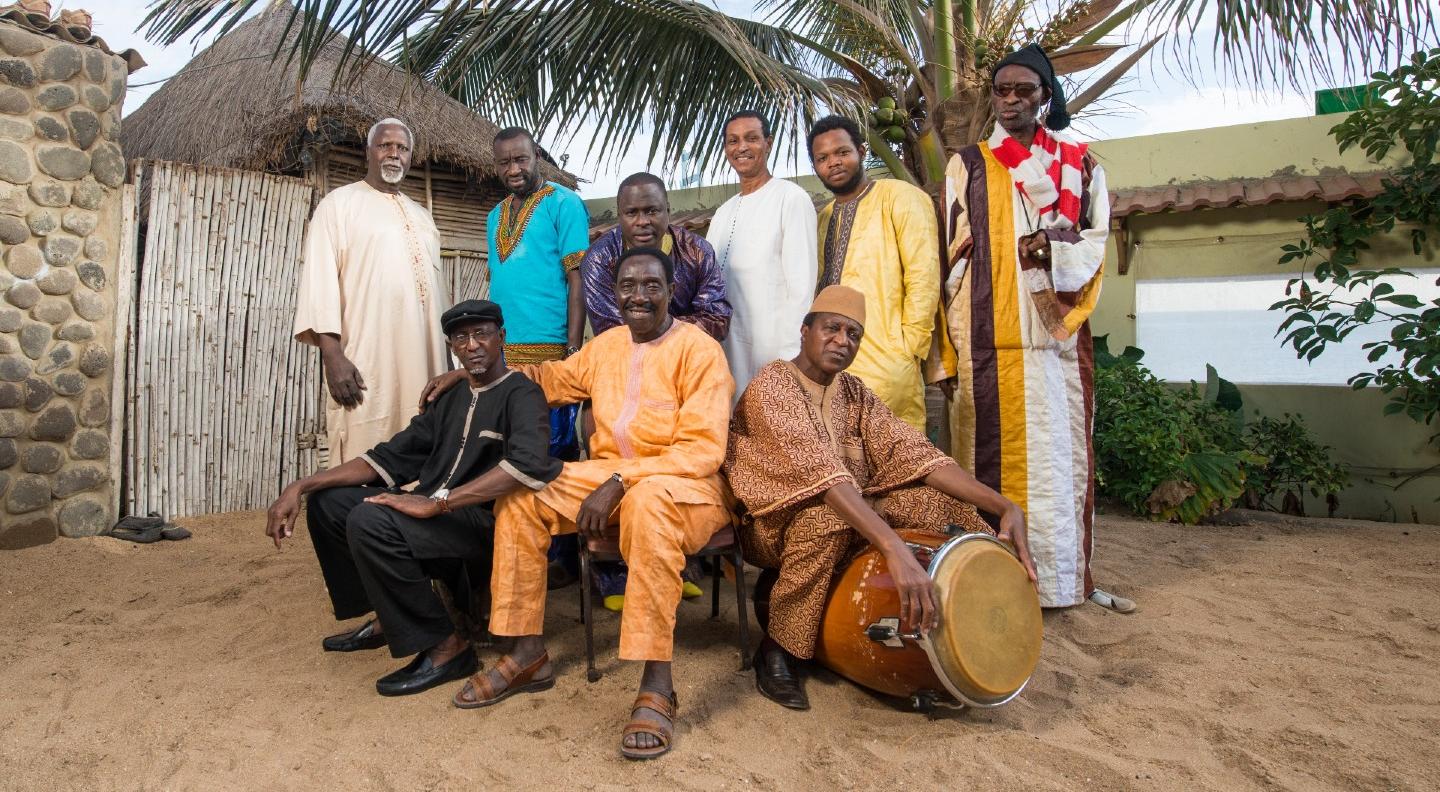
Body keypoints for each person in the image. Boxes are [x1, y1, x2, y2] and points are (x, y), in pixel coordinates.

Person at [451, 248, 734, 761]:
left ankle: (657, 684)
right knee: (520, 496)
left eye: (651, 285)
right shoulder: (606, 346)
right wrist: (477, 375)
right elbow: (550, 379)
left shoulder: (700, 351)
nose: (638, 296)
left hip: (685, 488)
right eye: (628, 286)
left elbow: (703, 451)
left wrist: (624, 478)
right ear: (615, 292)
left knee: (648, 504)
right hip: (607, 480)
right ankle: (526, 652)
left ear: (671, 291)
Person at [725, 285, 1035, 710]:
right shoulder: (773, 385)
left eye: (853, 334)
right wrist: (892, 546)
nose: (842, 341)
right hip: (771, 525)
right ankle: (779, 648)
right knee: (826, 519)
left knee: (942, 506)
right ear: (804, 330)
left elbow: (917, 455)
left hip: (856, 508)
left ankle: (976, 618)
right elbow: (824, 478)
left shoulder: (854, 393)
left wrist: (1003, 507)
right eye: (831, 328)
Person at [264, 300, 561, 697]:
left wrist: (439, 502)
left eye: (482, 334)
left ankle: (446, 647)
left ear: (501, 337)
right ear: (452, 347)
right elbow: (389, 456)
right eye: (461, 337)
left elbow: (529, 465)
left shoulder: (522, 394)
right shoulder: (450, 400)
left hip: (482, 526)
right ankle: (390, 616)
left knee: (371, 521)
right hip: (435, 517)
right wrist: (301, 485)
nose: (472, 345)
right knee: (330, 503)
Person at [931, 44, 1131, 612]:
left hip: (1054, 345)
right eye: (1002, 90)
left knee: (1059, 467)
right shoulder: (966, 163)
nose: (1012, 100)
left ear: (1046, 96)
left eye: (1025, 90)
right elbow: (948, 253)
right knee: (980, 461)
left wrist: (1049, 249)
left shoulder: (1082, 164)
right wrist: (944, 348)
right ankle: (984, 590)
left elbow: (1094, 245)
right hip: (982, 340)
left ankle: (1064, 584)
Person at [294, 118, 449, 465]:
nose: (394, 154)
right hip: (364, 357)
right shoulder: (338, 205)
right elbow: (320, 283)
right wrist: (332, 355)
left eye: (402, 148)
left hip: (426, 359)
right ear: (369, 152)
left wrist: (448, 358)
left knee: (424, 438)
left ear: (410, 157)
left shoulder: (424, 218)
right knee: (366, 439)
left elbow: (439, 296)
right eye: (385, 145)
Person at [809, 115, 941, 432]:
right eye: (823, 158)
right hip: (832, 368)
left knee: (897, 463)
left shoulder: (901, 197)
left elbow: (924, 277)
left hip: (888, 367)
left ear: (862, 151)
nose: (834, 163)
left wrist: (909, 349)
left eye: (842, 152)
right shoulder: (822, 217)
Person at [707, 110, 818, 398]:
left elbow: (802, 287)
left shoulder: (790, 198)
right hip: (728, 350)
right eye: (733, 141)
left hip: (774, 353)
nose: (741, 147)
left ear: (768, 143)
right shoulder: (722, 213)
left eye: (751, 138)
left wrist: (790, 359)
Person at [485, 126, 591, 366]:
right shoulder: (493, 216)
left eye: (521, 159)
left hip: (551, 350)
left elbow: (578, 278)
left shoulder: (565, 203)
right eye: (504, 162)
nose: (513, 170)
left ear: (537, 156)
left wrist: (573, 350)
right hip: (501, 349)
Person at [581, 172, 731, 341]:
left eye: (651, 211)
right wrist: (679, 328)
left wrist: (650, 325)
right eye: (631, 213)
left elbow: (717, 320)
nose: (642, 221)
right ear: (620, 216)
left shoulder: (697, 250)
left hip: (691, 359)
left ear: (667, 211)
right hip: (627, 364)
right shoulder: (599, 259)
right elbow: (613, 334)